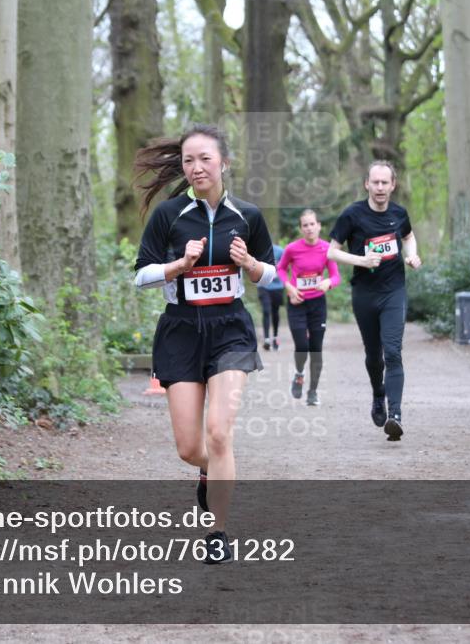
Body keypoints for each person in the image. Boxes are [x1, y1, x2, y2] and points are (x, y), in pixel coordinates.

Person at [132, 124, 277, 563]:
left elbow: (273, 275)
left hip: (229, 328)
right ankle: (205, 473)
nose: (196, 168)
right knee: (190, 447)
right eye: (189, 160)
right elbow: (140, 275)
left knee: (219, 433)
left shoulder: (247, 215)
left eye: (205, 159)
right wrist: (179, 264)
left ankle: (217, 532)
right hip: (180, 331)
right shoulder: (168, 215)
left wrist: (250, 263)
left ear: (224, 163)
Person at [327, 160, 422, 442]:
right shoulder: (352, 215)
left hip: (393, 291)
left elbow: (408, 236)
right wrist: (361, 260)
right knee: (373, 354)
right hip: (365, 294)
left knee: (393, 351)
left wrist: (412, 255)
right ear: (367, 184)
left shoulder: (399, 213)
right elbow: (332, 252)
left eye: (385, 183)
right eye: (375, 182)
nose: (380, 188)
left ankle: (395, 415)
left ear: (393, 185)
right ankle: (378, 395)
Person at [277, 209, 340, 407]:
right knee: (302, 347)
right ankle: (299, 373)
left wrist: (328, 282)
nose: (309, 228)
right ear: (301, 228)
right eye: (305, 225)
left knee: (316, 350)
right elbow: (280, 269)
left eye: (312, 224)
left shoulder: (327, 249)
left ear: (319, 226)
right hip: (297, 302)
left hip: (318, 304)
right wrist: (288, 287)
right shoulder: (292, 249)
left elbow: (336, 275)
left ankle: (312, 392)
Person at [257, 243, 285, 351]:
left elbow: (284, 267)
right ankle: (267, 339)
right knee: (266, 311)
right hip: (263, 286)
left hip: (277, 286)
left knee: (275, 312)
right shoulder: (258, 249)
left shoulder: (280, 251)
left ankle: (275, 337)